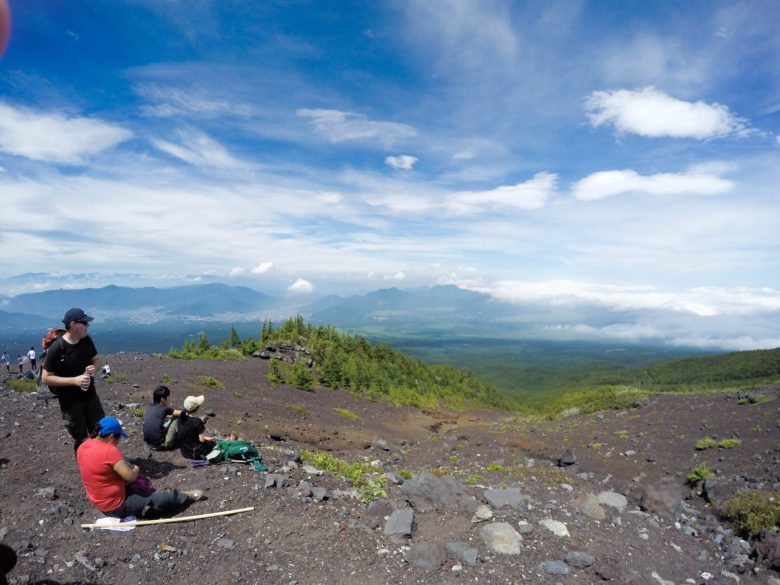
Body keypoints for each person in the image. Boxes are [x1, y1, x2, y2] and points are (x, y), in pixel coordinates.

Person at [76, 417, 204, 519]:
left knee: (126, 465)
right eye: (118, 438)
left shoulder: (83, 446)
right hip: (114, 505)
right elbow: (131, 477)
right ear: (111, 437)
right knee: (158, 499)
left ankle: (142, 506)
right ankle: (185, 497)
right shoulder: (109, 450)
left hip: (97, 499)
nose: (118, 441)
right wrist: (136, 468)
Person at [41, 308, 105, 452]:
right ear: (73, 324)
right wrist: (74, 381)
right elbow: (46, 378)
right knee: (81, 439)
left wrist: (94, 368)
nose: (88, 326)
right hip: (70, 402)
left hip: (90, 396)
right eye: (84, 323)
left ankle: (101, 464)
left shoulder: (86, 340)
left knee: (101, 432)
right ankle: (87, 467)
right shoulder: (57, 348)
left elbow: (96, 360)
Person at [176, 395, 218, 460]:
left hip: (184, 451)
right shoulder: (197, 421)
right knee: (213, 444)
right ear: (197, 408)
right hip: (193, 453)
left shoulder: (181, 417)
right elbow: (202, 440)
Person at [142, 385, 181, 451]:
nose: (169, 399)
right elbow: (180, 413)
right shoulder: (164, 408)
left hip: (149, 443)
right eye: (168, 397)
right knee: (177, 417)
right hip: (160, 445)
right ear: (162, 399)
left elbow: (161, 415)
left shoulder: (150, 406)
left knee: (161, 420)